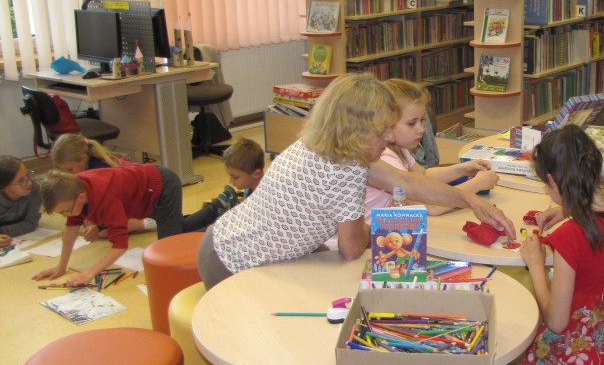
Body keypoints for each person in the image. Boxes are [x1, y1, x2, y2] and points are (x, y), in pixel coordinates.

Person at [197, 73, 515, 290]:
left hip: (222, 241)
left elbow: (404, 181)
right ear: (355, 131)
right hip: (232, 266)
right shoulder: (346, 170)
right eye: (382, 131)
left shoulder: (327, 146)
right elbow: (351, 248)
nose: (389, 138)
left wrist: (471, 200)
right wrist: (384, 225)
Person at [488, 125, 604, 365]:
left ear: (555, 182)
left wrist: (535, 265)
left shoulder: (570, 238)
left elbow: (556, 322)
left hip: (576, 357)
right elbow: (598, 236)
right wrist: (568, 211)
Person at [364, 78, 498, 220]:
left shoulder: (399, 148)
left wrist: (461, 170)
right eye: (411, 123)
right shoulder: (385, 157)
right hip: (378, 231)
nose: (421, 129)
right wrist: (477, 184)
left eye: (422, 120)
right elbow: (433, 207)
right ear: (386, 124)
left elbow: (423, 175)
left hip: (390, 226)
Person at [32, 163, 184, 287]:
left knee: (167, 251)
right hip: (145, 194)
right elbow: (71, 229)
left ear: (81, 198)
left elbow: (120, 245)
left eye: (66, 211)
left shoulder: (106, 199)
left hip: (163, 187)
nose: (66, 216)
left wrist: (89, 273)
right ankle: (189, 219)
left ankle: (198, 216)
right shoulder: (74, 190)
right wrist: (61, 267)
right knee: (176, 231)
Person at [50, 133, 154, 238]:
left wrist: (97, 226)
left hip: (143, 197)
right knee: (89, 222)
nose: (67, 174)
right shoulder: (85, 168)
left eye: (69, 169)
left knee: (104, 232)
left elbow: (111, 204)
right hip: (124, 200)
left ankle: (147, 222)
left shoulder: (100, 169)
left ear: (83, 158)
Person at [183, 138, 265, 232]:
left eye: (235, 177)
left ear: (256, 174)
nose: (230, 181)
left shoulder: (264, 198)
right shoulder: (250, 188)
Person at [0, 156, 42, 248]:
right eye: (21, 180)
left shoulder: (33, 189)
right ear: (5, 187)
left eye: (28, 175)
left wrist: (2, 232)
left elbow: (31, 223)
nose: (29, 182)